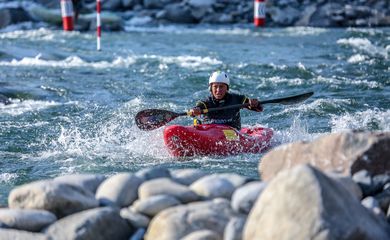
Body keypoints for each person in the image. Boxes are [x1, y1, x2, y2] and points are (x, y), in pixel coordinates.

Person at [189, 71, 263, 130]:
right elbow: (197, 107)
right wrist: (195, 110)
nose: (218, 90)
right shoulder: (205, 102)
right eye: (215, 87)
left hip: (231, 132)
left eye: (221, 87)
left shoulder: (236, 99)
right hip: (210, 131)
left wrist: (254, 103)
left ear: (227, 88)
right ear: (211, 88)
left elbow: (259, 109)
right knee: (198, 123)